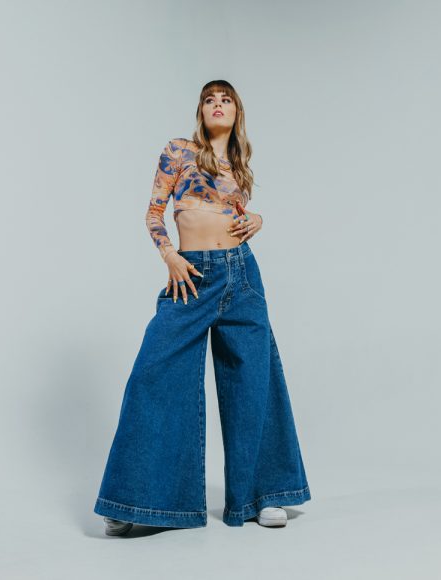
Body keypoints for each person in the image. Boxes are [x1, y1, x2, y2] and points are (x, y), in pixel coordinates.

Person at [93, 80, 311, 535]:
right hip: (190, 274)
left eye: (225, 99)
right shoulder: (178, 151)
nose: (217, 104)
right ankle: (139, 502)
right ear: (201, 110)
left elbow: (237, 217)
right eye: (210, 99)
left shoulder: (240, 165)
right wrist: (169, 255)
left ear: (236, 112)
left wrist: (259, 218)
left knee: (254, 379)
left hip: (242, 274)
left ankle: (262, 495)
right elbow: (154, 213)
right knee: (155, 373)